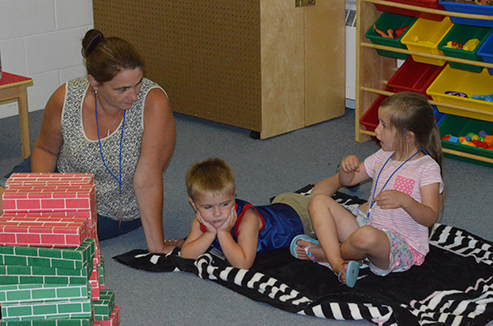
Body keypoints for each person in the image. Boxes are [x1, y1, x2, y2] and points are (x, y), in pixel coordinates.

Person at [0, 29, 182, 254]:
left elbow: (147, 181)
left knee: (33, 232)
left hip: (109, 206)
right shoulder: (66, 96)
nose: (134, 95)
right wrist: (43, 198)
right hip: (59, 176)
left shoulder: (153, 103)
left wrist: (157, 246)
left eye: (138, 83)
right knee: (6, 209)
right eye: (122, 89)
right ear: (94, 83)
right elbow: (46, 149)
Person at [291, 92, 444, 288]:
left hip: (398, 247)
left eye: (384, 126)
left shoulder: (427, 168)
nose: (376, 130)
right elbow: (351, 179)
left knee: (366, 236)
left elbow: (430, 216)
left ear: (408, 137)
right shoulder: (383, 155)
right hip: (367, 226)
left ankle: (324, 253)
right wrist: (347, 170)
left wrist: (405, 201)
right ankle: (338, 263)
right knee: (318, 200)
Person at [180, 158, 314, 269]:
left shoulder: (248, 220)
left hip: (301, 216)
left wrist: (223, 232)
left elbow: (243, 264)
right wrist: (209, 234)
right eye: (208, 207)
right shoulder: (200, 219)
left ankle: (336, 179)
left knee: (319, 200)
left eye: (225, 204)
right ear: (194, 205)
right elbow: (185, 255)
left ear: (234, 196)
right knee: (315, 194)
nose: (217, 213)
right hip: (281, 204)